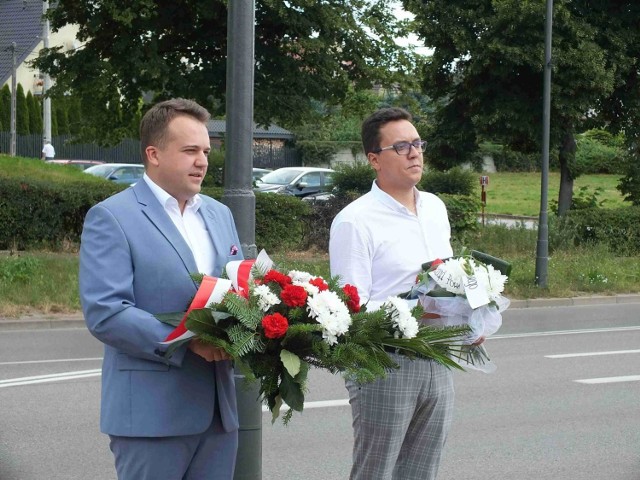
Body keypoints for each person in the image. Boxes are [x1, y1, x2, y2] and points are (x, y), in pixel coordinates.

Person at [79, 98, 243, 480]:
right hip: (152, 417)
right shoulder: (113, 217)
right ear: (153, 153)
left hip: (219, 415)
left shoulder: (219, 214)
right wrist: (188, 340)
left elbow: (237, 287)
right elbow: (107, 311)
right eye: (190, 151)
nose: (202, 161)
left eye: (205, 150)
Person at [329, 107, 455, 480]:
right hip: (383, 363)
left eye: (417, 143)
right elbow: (350, 310)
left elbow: (447, 277)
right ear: (373, 159)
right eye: (401, 146)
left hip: (439, 353)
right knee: (377, 472)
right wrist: (414, 311)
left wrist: (469, 312)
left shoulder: (435, 207)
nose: (415, 152)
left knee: (422, 472)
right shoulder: (355, 220)